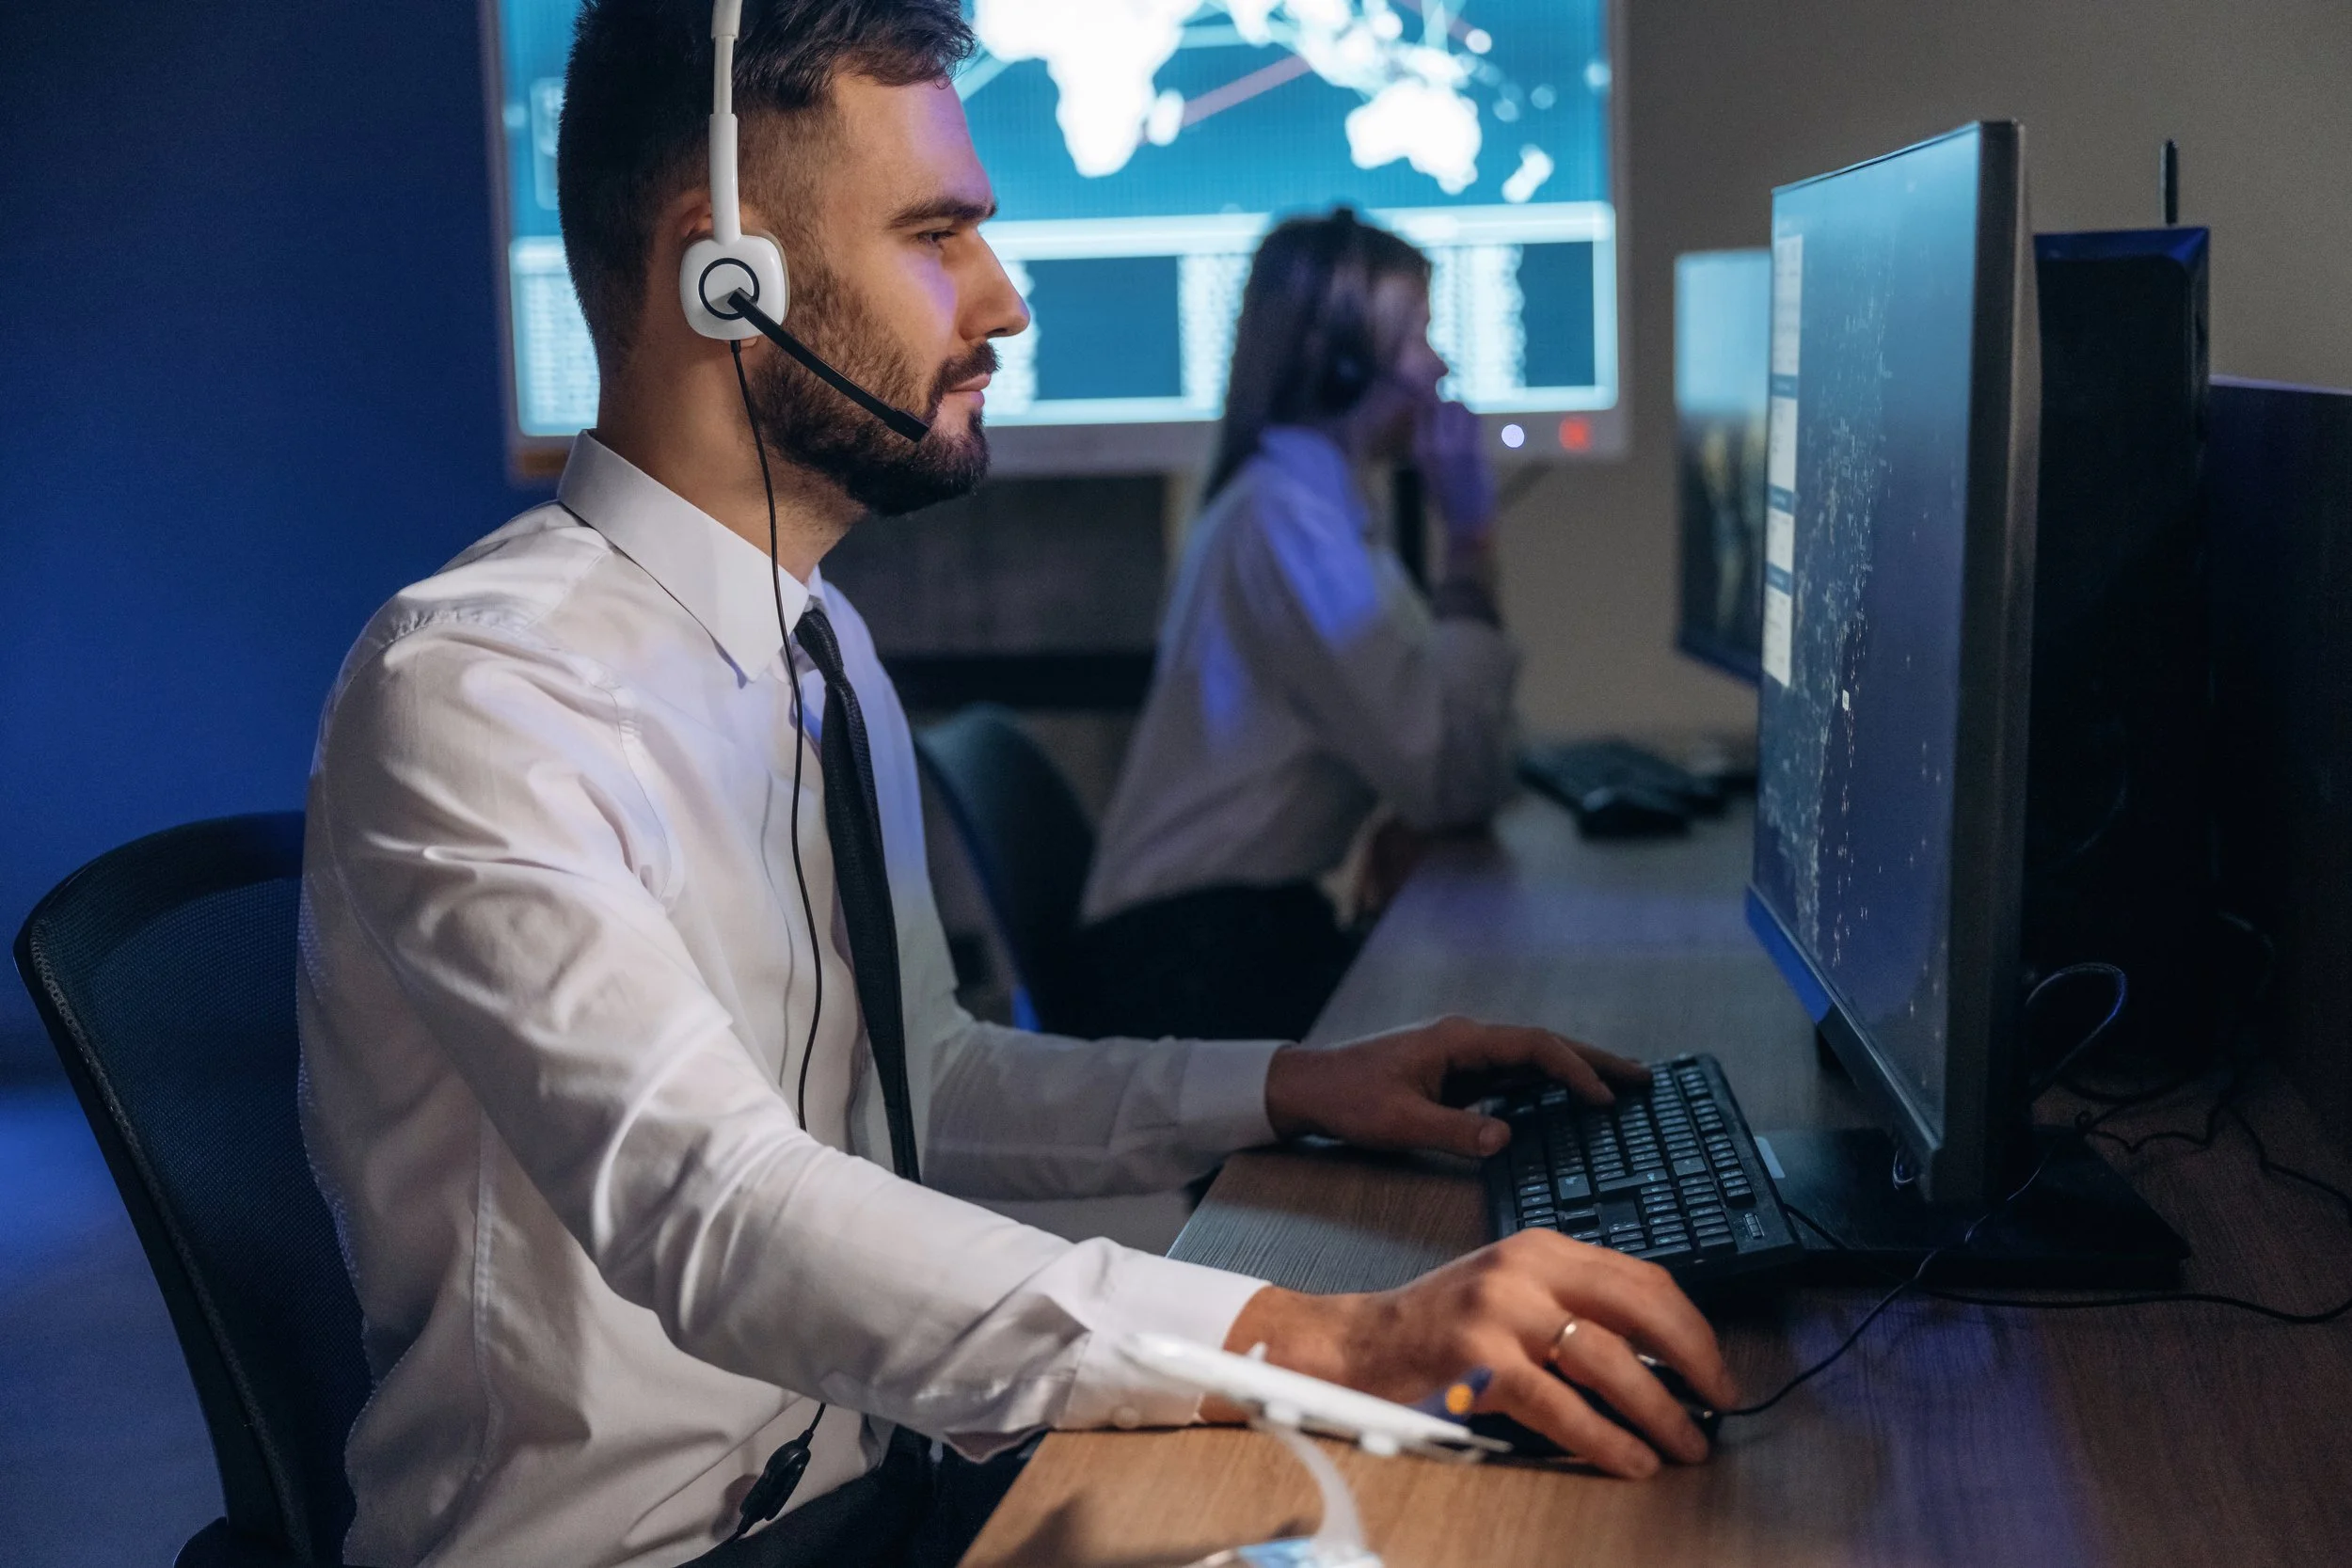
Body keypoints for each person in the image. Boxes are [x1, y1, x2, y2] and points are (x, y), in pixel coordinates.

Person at [296, 7, 1732, 1567]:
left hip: (881, 1499)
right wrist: (1327, 1337)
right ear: (726, 274)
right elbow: (712, 1205)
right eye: (937, 235)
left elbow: (932, 1079)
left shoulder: (818, 645)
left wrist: (1289, 1084)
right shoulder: (485, 689)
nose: (1007, 302)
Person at [1078, 210, 1519, 1041]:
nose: (1439, 366)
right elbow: (1457, 777)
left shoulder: (1305, 506)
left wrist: (1412, 807)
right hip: (1195, 962)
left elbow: (1439, 766)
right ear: (1348, 363)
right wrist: (1470, 538)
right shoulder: (1290, 522)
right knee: (1494, 1035)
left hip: (1223, 937)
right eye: (1420, 337)